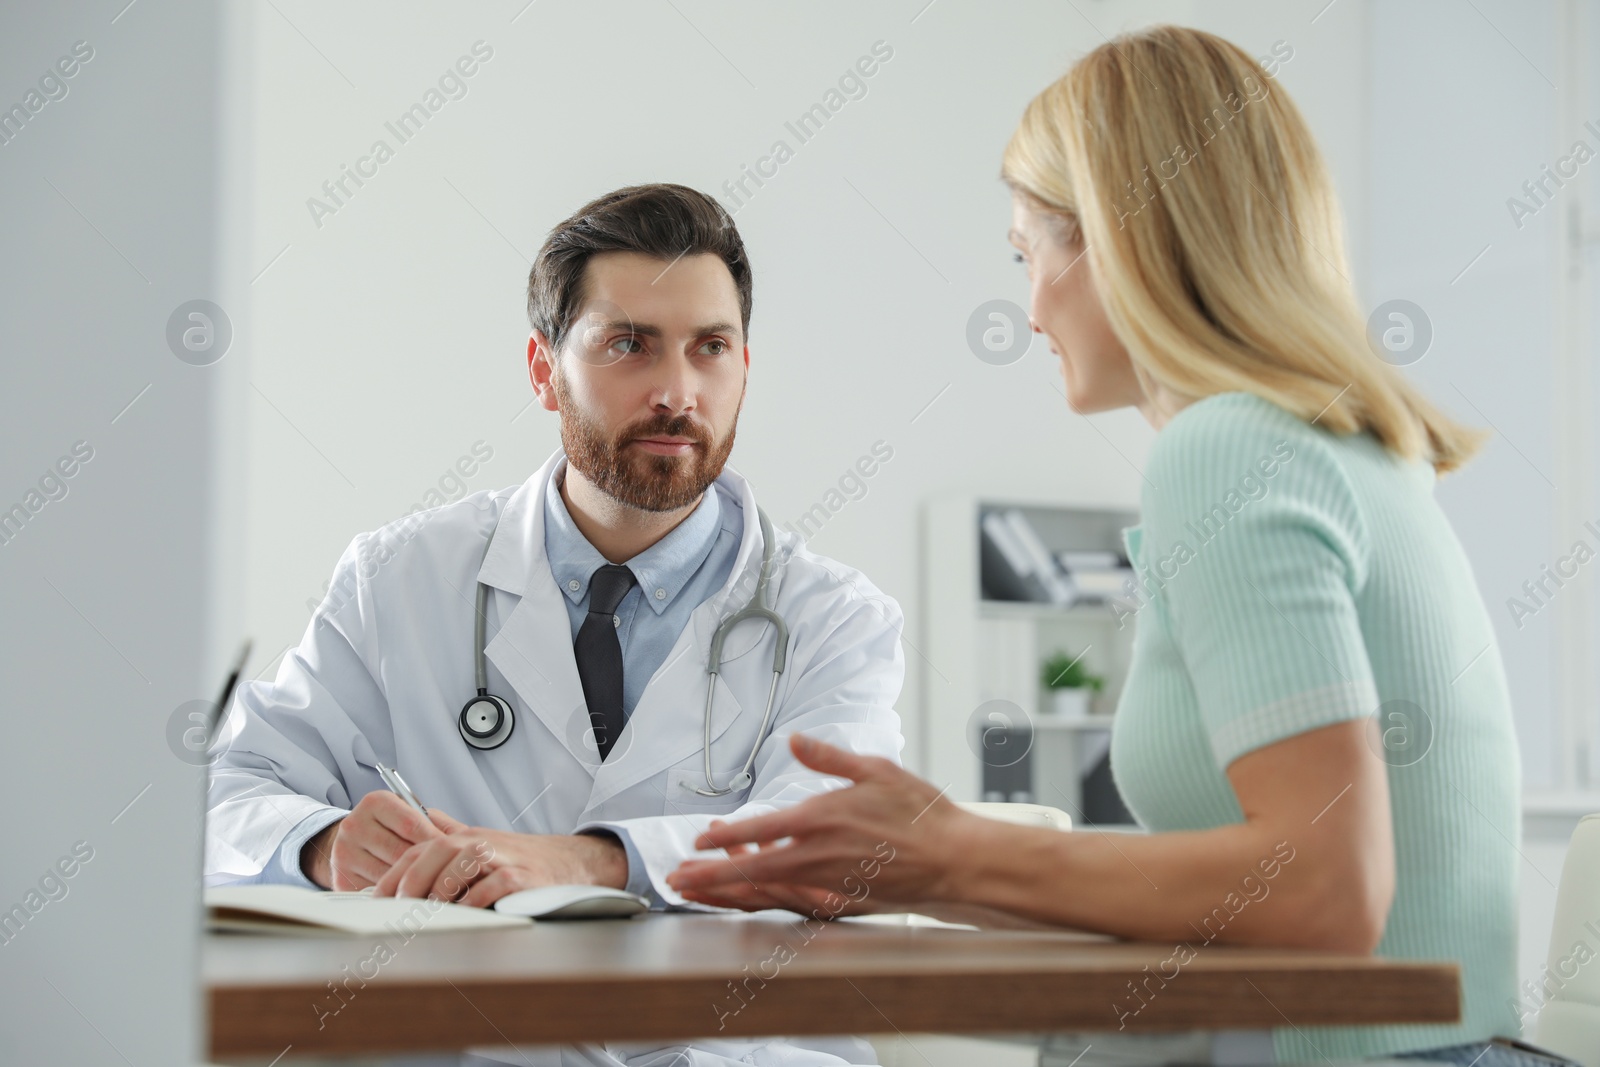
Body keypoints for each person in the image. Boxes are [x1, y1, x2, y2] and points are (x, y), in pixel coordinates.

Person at [666, 26, 1548, 1067]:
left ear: (1121, 241)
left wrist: (954, 850)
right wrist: (935, 866)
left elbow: (1324, 888)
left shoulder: (1227, 451)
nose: (1029, 306)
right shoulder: (1351, 453)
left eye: (1026, 253)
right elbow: (1259, 891)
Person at [206, 183, 902, 1067]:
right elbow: (228, 791)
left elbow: (840, 846)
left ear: (743, 366)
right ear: (544, 371)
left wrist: (593, 861)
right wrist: (322, 844)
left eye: (710, 348)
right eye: (629, 345)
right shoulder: (401, 579)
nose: (676, 391)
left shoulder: (833, 617)